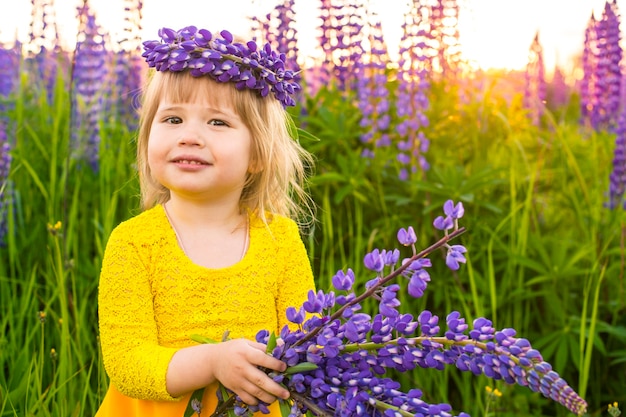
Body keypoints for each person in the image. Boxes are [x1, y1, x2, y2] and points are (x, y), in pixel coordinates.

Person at [96, 26, 316, 417]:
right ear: (147, 138)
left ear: (257, 154)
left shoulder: (279, 238)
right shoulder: (133, 242)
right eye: (172, 120)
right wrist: (213, 362)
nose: (190, 136)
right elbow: (127, 363)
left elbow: (307, 341)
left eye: (217, 123)